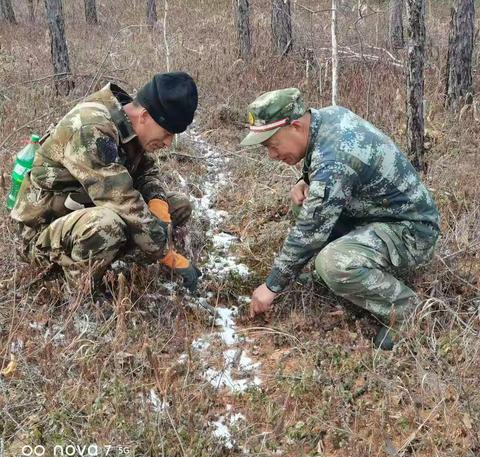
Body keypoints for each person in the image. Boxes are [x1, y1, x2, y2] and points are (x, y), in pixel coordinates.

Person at [241, 88, 440, 349]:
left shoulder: (335, 158)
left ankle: (407, 311)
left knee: (333, 262)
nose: (272, 155)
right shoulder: (325, 118)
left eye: (273, 145)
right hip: (378, 214)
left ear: (296, 126)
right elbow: (332, 172)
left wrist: (272, 287)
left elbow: (310, 231)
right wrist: (305, 180)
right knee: (304, 207)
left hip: (412, 231)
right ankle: (345, 273)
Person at [11, 72, 201, 293]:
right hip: (43, 232)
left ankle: (114, 258)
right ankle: (79, 290)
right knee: (107, 223)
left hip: (85, 211)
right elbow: (122, 200)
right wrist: (169, 256)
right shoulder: (91, 128)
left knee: (177, 205)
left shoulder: (130, 124)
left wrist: (158, 203)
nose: (168, 143)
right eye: (167, 133)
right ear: (145, 116)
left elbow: (147, 172)